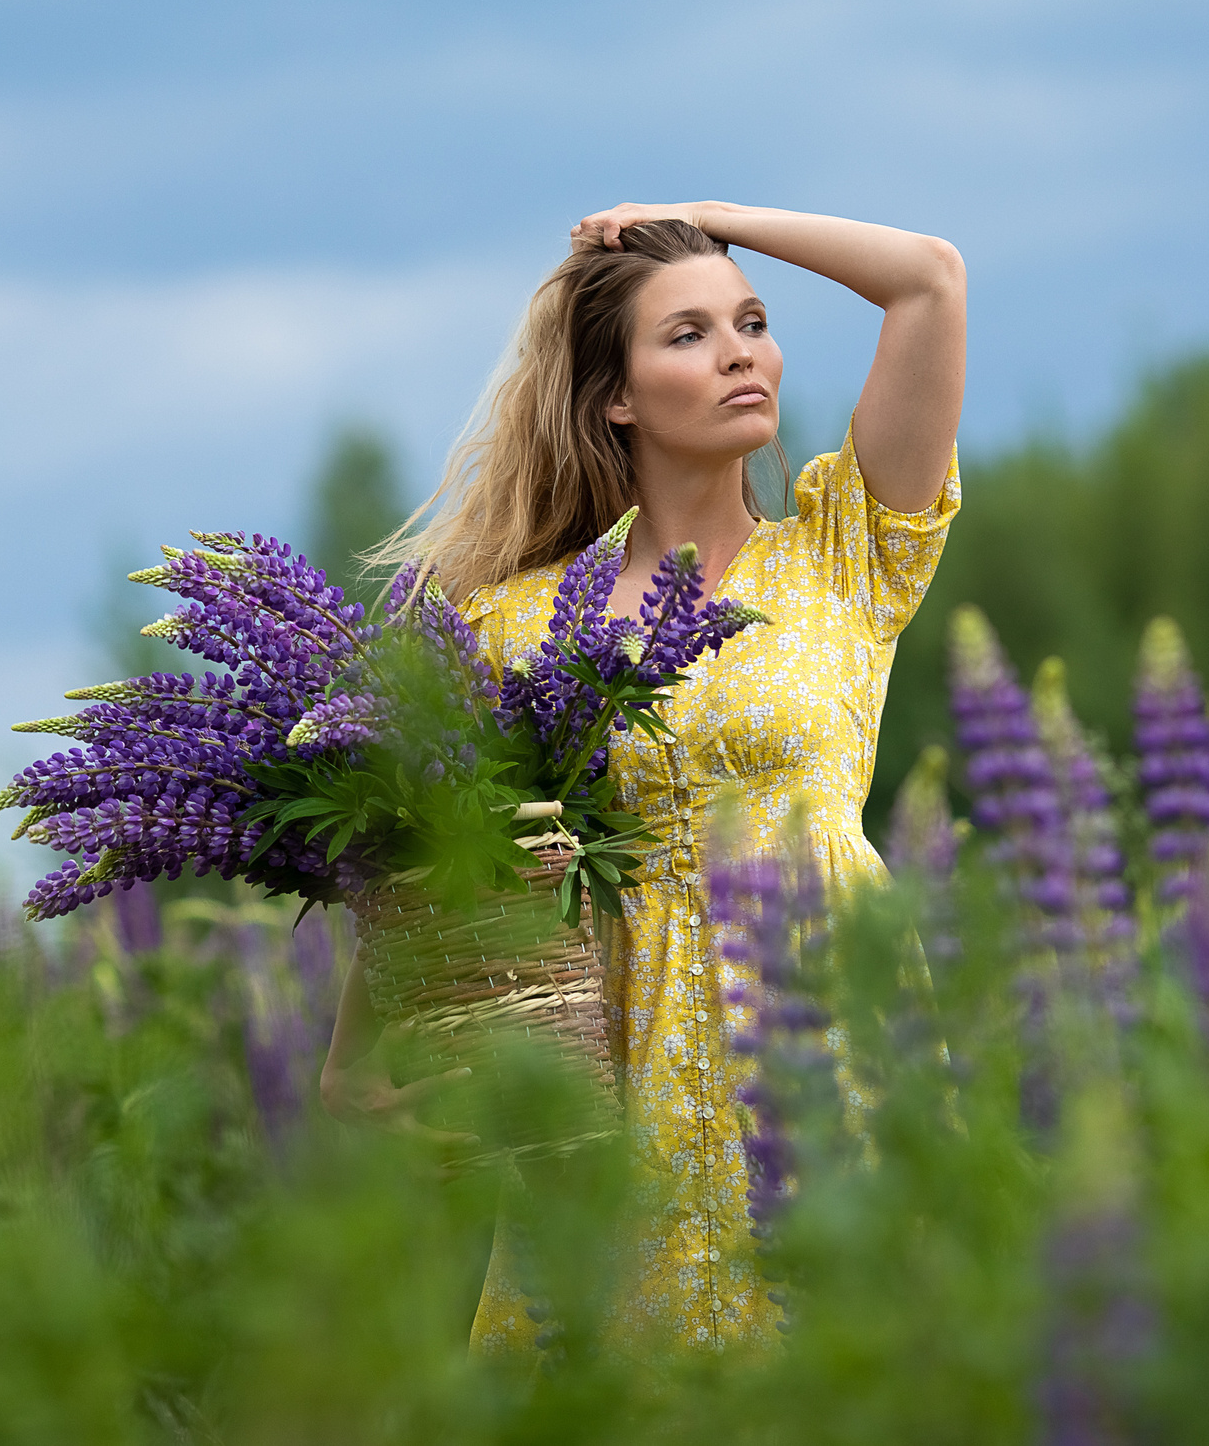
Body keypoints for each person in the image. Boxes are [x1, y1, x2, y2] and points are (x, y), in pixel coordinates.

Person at [318, 200, 967, 1353]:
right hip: (616, 1072)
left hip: (832, 1042)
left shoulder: (842, 556)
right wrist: (346, 1061)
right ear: (614, 395)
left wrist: (707, 218)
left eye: (752, 323)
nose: (738, 353)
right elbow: (423, 858)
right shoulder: (511, 624)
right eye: (688, 335)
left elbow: (927, 279)